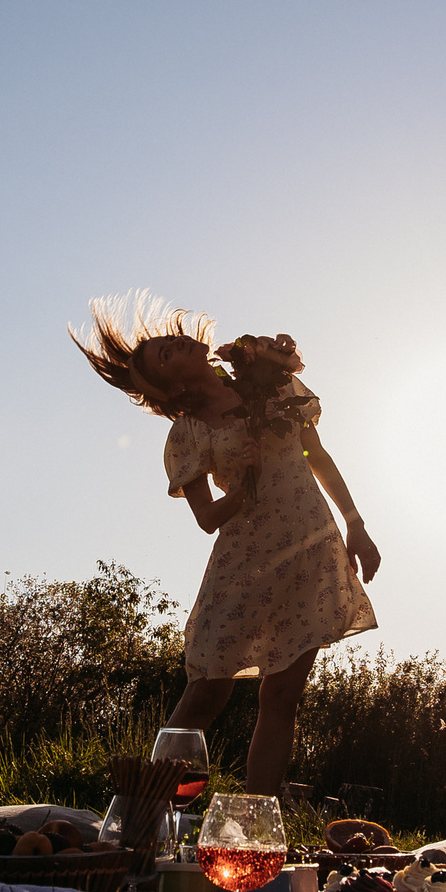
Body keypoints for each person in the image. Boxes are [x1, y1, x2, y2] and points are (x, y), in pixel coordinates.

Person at [73, 295, 380, 794]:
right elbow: (206, 518)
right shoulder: (188, 432)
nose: (173, 343)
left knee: (282, 695)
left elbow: (316, 454)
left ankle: (261, 826)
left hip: (310, 545)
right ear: (171, 384)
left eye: (167, 342)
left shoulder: (272, 384)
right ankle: (148, 812)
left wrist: (356, 524)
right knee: (206, 690)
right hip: (244, 562)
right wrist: (240, 486)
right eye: (163, 357)